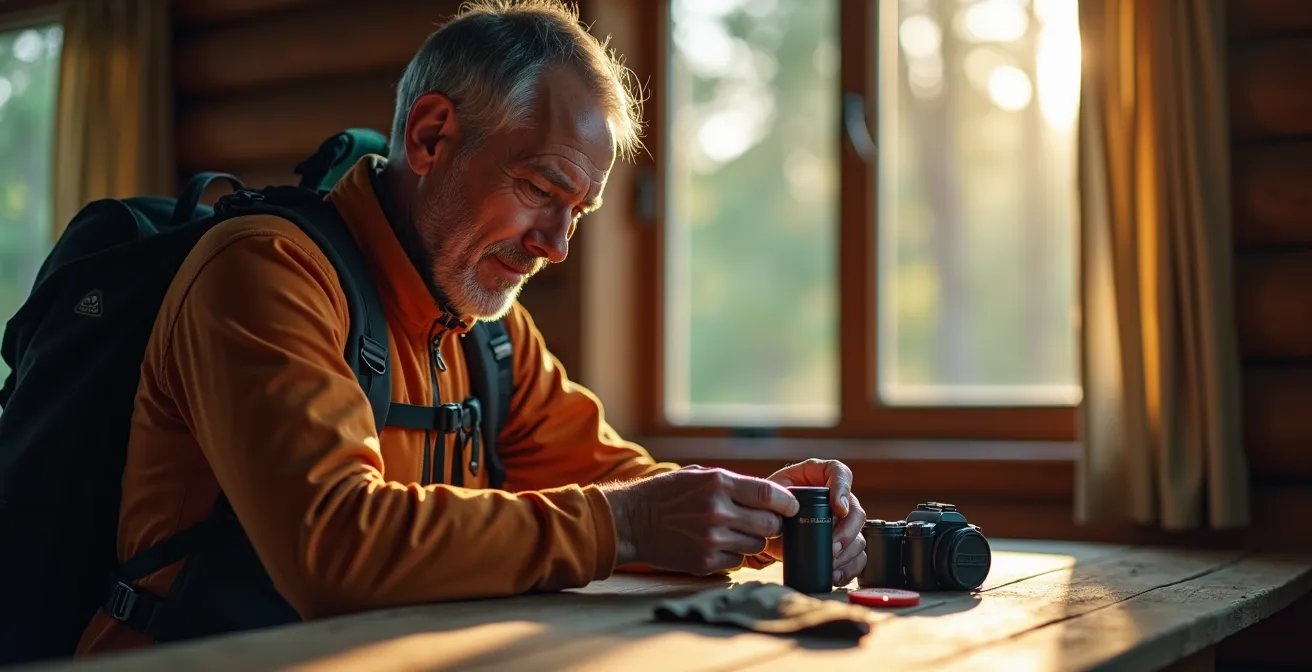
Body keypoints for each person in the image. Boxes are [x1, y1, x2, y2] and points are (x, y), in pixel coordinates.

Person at [76, 0, 867, 657]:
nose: (554, 246)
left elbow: (621, 487)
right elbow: (333, 547)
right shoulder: (265, 272)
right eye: (537, 188)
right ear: (430, 136)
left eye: (577, 214)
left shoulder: (492, 334)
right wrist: (629, 523)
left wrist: (765, 518)